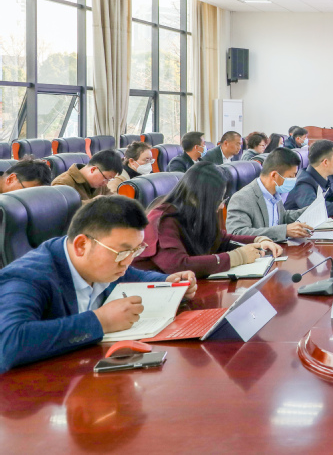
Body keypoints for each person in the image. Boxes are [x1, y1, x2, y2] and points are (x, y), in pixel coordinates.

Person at [0, 196, 196, 374]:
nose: (127, 262)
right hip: (38, 391)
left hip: (86, 371)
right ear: (81, 246)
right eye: (122, 252)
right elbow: (9, 343)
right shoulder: (27, 277)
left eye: (135, 251)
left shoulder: (105, 262)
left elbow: (137, 277)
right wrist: (101, 322)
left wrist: (168, 283)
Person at [133, 163, 282, 277]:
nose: (221, 206)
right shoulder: (162, 220)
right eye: (217, 200)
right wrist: (237, 257)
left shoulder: (191, 211)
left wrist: (258, 240)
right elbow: (178, 265)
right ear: (196, 198)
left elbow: (221, 239)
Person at [225, 148, 312, 241]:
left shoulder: (274, 193)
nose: (294, 179)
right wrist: (284, 231)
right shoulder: (242, 198)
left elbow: (282, 217)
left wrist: (311, 210)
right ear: (274, 175)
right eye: (291, 176)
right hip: (259, 249)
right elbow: (237, 233)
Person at [52, 150, 123, 202]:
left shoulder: (100, 183)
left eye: (109, 180)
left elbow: (112, 197)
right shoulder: (62, 183)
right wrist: (95, 202)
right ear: (93, 169)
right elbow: (65, 210)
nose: (106, 183)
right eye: (106, 178)